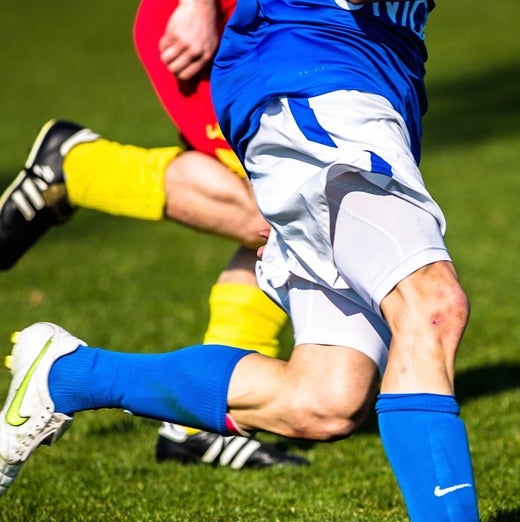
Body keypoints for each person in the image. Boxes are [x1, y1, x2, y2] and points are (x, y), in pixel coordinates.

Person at [0, 0, 520, 522]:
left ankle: (67, 376)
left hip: (364, 89)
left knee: (325, 398)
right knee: (432, 304)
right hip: (314, 76)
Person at [0, 0, 306, 468]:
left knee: (293, 218)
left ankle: (199, 423)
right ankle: (78, 167)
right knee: (279, 213)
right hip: (214, 22)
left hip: (277, 31)